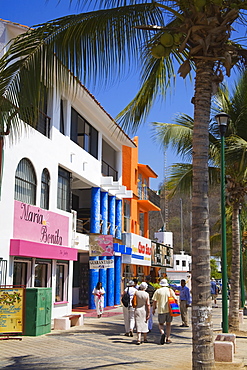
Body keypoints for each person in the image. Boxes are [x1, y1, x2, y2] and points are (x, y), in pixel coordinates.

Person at [152, 278, 177, 345]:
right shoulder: (170, 290)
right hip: (170, 310)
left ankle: (162, 332)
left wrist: (154, 309)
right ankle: (168, 338)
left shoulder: (158, 291)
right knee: (168, 324)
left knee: (161, 324)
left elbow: (154, 301)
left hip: (161, 310)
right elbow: (175, 298)